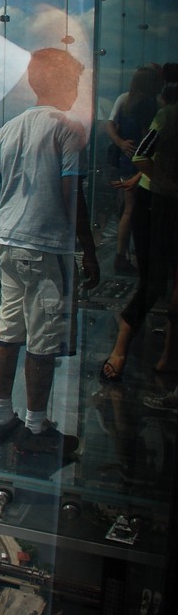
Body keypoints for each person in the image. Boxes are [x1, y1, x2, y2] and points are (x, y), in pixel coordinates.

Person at [0, 48, 99, 457]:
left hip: (10, 244)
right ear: (62, 84)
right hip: (47, 246)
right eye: (74, 81)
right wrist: (88, 250)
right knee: (43, 338)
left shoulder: (9, 129)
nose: (76, 88)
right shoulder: (67, 129)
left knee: (7, 330)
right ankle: (36, 427)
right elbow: (71, 193)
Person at [101, 67, 178, 383]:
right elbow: (144, 156)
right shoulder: (166, 114)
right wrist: (168, 185)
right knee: (156, 281)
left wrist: (139, 174)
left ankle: (162, 356)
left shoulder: (138, 104)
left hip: (156, 197)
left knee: (158, 282)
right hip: (161, 203)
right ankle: (129, 348)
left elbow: (144, 157)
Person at [106, 67, 161, 273]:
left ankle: (123, 256)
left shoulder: (125, 100)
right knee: (135, 212)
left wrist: (120, 143)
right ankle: (131, 257)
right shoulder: (150, 105)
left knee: (129, 210)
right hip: (141, 165)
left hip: (127, 162)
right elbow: (150, 141)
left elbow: (109, 125)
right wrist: (142, 172)